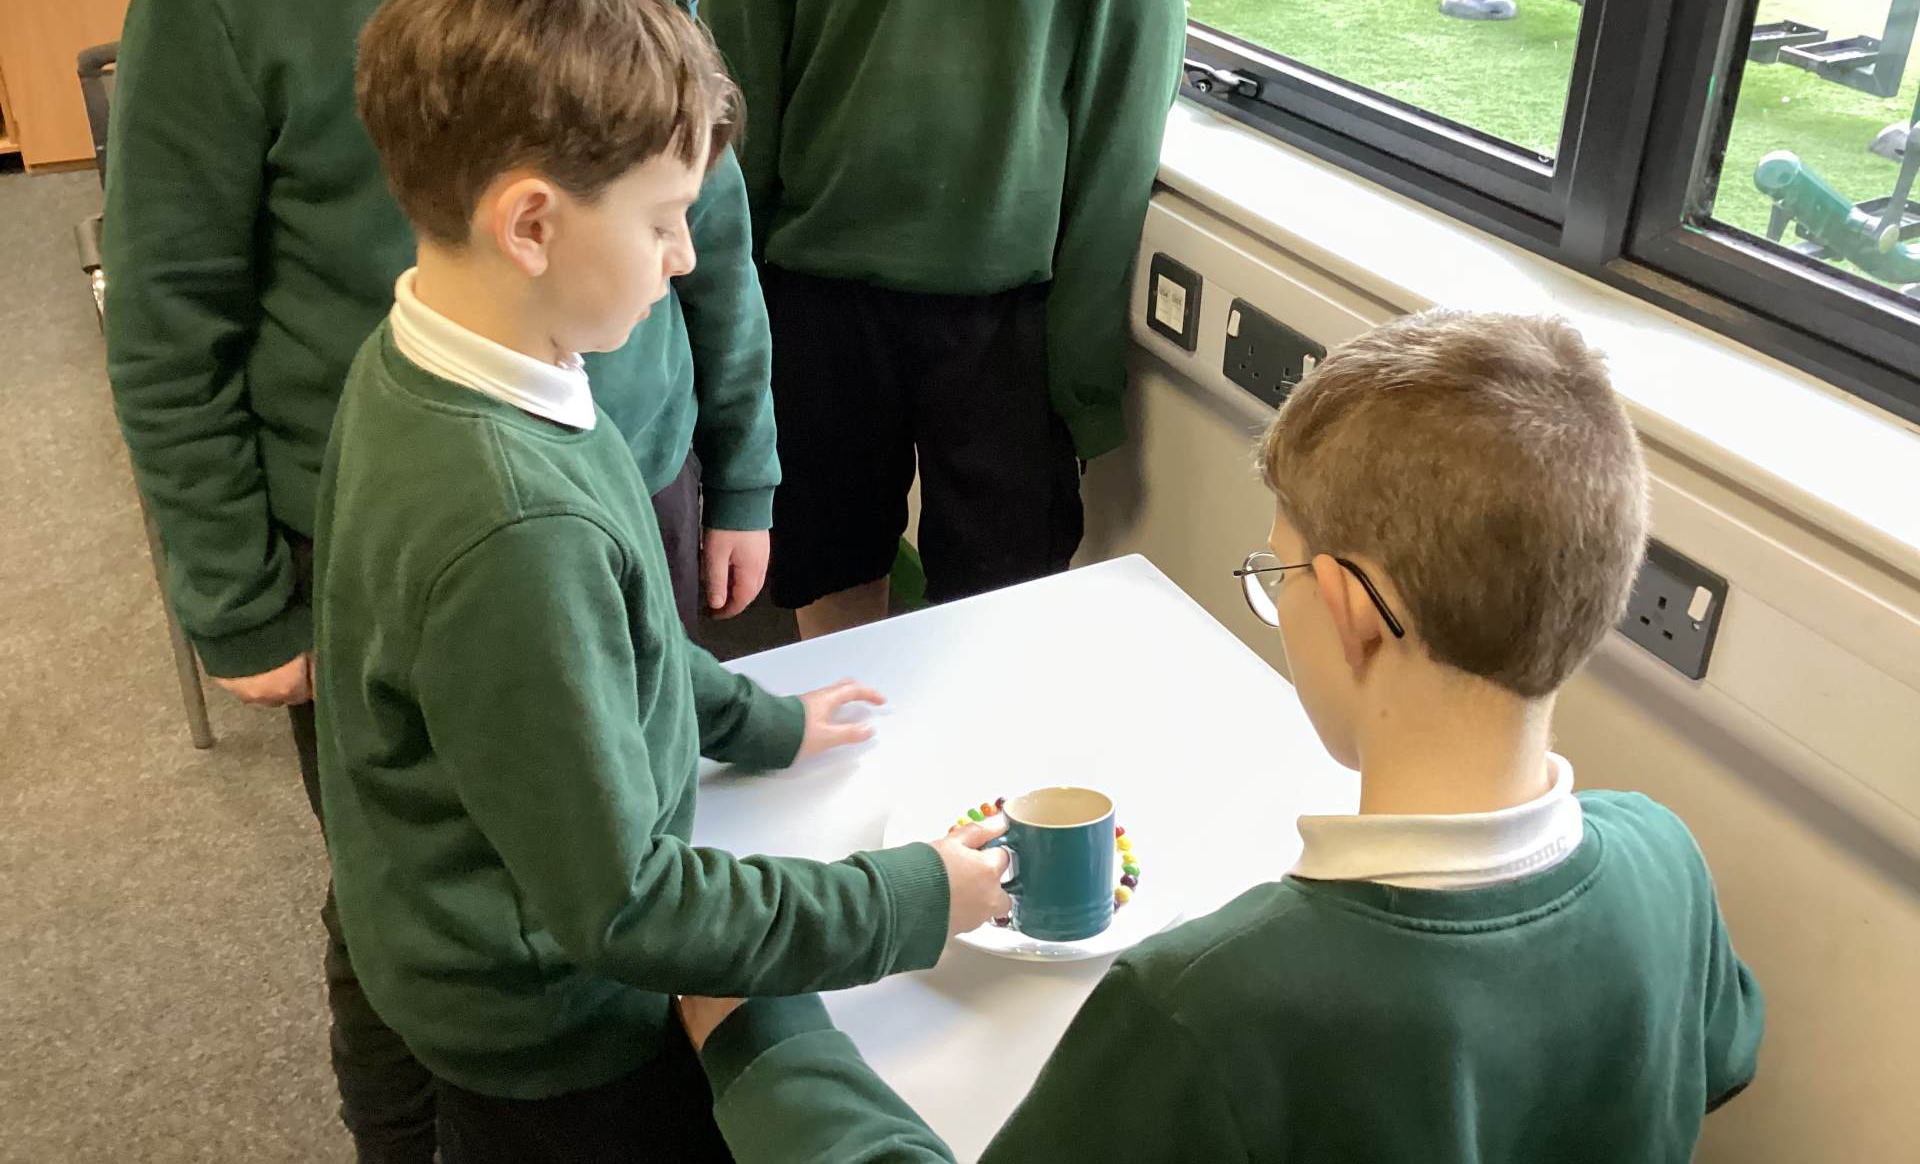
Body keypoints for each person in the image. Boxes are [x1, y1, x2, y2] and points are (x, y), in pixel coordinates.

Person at [101, 0, 776, 1155]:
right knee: (417, 894)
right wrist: (234, 595)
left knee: (621, 823)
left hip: (630, 488)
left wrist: (742, 469)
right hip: (390, 538)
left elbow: (706, 230)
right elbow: (170, 324)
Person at [676, 310, 1767, 1162]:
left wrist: (766, 1042)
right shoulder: (1668, 861)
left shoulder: (1207, 1002)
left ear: (1346, 610)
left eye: (1276, 571)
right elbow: (1722, 1053)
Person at [317, 0, 1012, 1164]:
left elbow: (624, 639)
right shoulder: (514, 527)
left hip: (454, 928)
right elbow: (626, 904)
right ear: (532, 225)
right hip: (556, 1031)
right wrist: (913, 897)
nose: (686, 256)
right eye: (663, 221)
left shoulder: (447, 361)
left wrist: (754, 720)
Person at [701, 0, 1186, 638]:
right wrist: (731, 335)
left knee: (1003, 592)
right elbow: (735, 108)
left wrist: (1081, 357)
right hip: (820, 294)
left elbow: (1123, 114)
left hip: (1010, 307)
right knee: (831, 564)